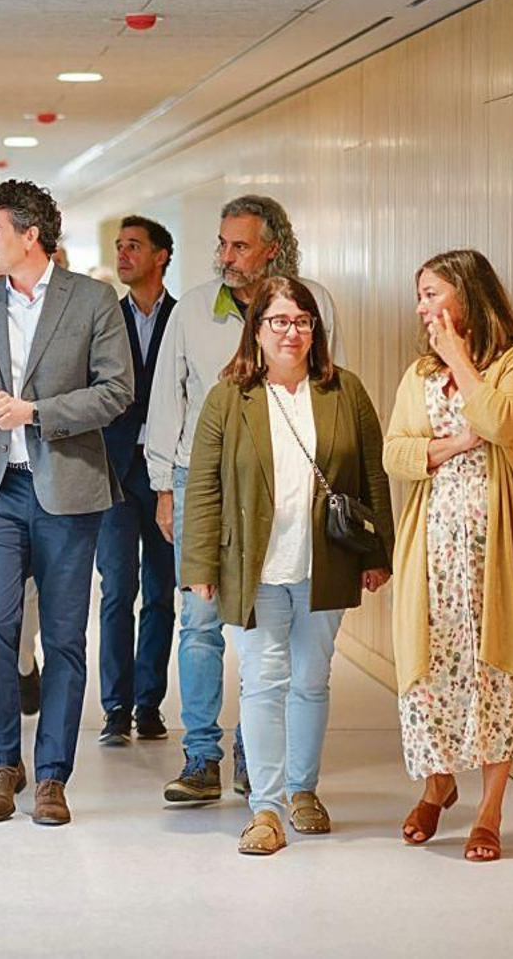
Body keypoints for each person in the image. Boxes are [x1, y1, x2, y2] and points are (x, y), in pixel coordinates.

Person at [0, 179, 133, 826]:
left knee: (65, 636)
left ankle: (52, 773)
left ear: (30, 234)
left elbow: (116, 391)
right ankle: (1, 761)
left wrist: (36, 412)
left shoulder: (95, 300)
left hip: (68, 489)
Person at [183, 277, 393, 855]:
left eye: (302, 321)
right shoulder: (229, 395)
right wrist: (199, 563)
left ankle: (304, 790)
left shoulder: (343, 390)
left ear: (315, 330)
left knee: (311, 679)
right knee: (262, 680)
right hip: (256, 566)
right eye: (279, 321)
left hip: (325, 563)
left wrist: (378, 556)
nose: (292, 332)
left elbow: (371, 477)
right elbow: (203, 486)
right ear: (258, 329)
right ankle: (267, 808)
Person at [148, 194, 340, 804]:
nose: (226, 257)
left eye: (240, 246)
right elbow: (167, 399)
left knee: (269, 622)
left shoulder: (311, 307)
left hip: (283, 483)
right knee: (199, 621)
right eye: (222, 244)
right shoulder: (195, 308)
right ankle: (201, 754)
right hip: (200, 478)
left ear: (272, 249)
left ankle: (255, 758)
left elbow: (329, 395)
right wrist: (163, 487)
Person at [384, 249, 513, 863]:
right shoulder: (418, 374)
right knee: (433, 675)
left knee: (499, 677)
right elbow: (397, 453)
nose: (422, 307)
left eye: (433, 292)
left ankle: (488, 812)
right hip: (434, 553)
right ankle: (439, 783)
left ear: (468, 293)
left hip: (506, 556)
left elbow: (502, 421)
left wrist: (462, 360)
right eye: (420, 295)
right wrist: (449, 445)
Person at [95, 217, 178, 745]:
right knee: (116, 589)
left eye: (134, 247)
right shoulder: (106, 317)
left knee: (163, 592)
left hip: (169, 469)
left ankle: (148, 702)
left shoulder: (184, 316)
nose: (123, 255)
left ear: (162, 255)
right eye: (120, 247)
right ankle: (114, 706)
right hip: (116, 471)